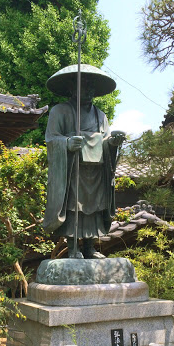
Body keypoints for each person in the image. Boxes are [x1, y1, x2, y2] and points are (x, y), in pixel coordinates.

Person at [43, 64, 126, 258]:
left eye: (91, 87)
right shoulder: (60, 111)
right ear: (72, 88)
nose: (88, 91)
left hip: (96, 171)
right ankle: (72, 248)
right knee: (74, 206)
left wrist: (113, 142)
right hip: (72, 170)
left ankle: (90, 247)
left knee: (94, 208)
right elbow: (51, 139)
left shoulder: (101, 116)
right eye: (84, 86)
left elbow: (106, 141)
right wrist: (67, 143)